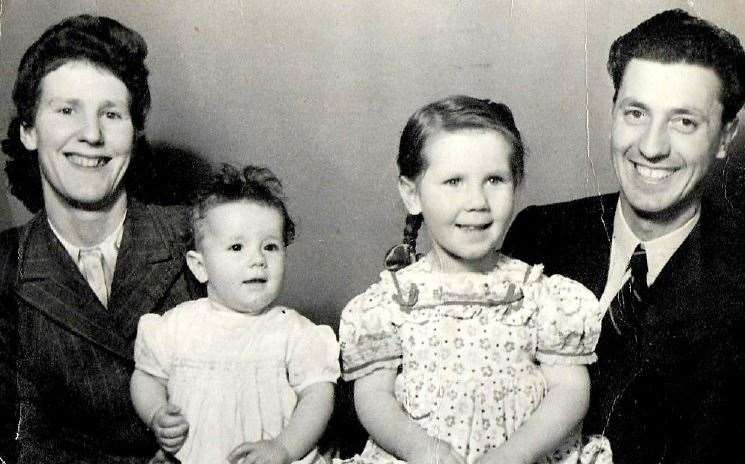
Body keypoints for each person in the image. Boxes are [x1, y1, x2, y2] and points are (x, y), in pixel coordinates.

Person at [502, 9, 745, 464]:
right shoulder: (539, 233)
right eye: (636, 113)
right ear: (612, 111)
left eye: (684, 122)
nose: (651, 147)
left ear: (726, 135)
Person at [339, 96, 612, 464]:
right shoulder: (390, 303)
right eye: (454, 182)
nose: (477, 201)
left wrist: (514, 454)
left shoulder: (541, 296)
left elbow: (570, 390)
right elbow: (374, 399)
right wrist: (423, 450)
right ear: (412, 193)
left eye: (494, 180)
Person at [0, 15, 203, 463]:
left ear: (133, 132)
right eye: (67, 110)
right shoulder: (5, 267)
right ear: (29, 131)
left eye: (111, 114)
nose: (91, 135)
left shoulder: (202, 237)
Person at [131, 164, 340, 464]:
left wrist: (283, 448)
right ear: (199, 266)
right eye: (237, 247)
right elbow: (146, 377)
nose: (257, 260)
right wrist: (156, 413)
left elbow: (318, 397)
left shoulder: (293, 332)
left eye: (270, 246)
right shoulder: (177, 326)